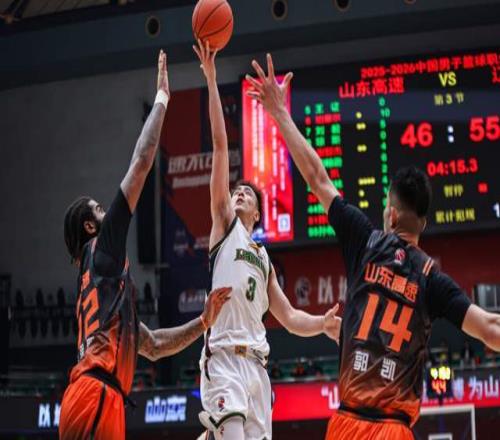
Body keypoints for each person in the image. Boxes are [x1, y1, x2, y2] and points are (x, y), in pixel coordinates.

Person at [246, 53, 500, 439]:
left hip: (348, 423)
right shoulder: (432, 279)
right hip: (394, 428)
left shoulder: (364, 241)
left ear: (391, 215)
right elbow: (489, 328)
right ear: (423, 224)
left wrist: (280, 113)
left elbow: (317, 177)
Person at [59, 50, 231, 440]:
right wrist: (162, 99)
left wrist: (203, 322)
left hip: (97, 394)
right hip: (95, 393)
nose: (108, 212)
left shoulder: (103, 288)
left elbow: (152, 346)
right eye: (100, 210)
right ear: (90, 225)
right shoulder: (102, 250)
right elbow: (140, 163)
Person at [193, 40, 342, 440]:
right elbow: (220, 146)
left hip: (258, 370)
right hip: (224, 359)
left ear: (258, 213)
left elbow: (290, 317)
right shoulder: (224, 228)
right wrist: (211, 79)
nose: (240, 193)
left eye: (248, 193)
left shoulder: (264, 259)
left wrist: (322, 324)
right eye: (236, 191)